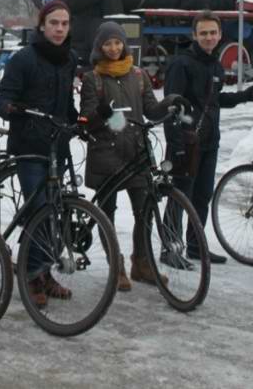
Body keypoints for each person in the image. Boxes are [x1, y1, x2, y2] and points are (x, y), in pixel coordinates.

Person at [79, 21, 184, 291]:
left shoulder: (138, 75)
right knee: (107, 214)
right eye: (107, 44)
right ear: (99, 48)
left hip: (136, 154)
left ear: (124, 44)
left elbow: (150, 109)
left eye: (117, 43)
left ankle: (142, 263)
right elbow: (86, 121)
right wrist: (99, 113)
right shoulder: (93, 79)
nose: (113, 48)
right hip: (106, 155)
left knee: (145, 212)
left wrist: (170, 101)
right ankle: (117, 266)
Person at [0, 0, 78, 308]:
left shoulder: (70, 60)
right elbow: (1, 100)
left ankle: (44, 272)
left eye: (64, 24)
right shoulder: (23, 59)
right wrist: (13, 109)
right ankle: (31, 275)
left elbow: (67, 105)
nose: (59, 29)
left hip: (58, 147)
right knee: (39, 211)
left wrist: (78, 122)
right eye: (53, 23)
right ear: (42, 26)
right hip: (29, 146)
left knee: (56, 213)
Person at [164, 11, 253, 264]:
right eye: (204, 33)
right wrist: (176, 145)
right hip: (186, 142)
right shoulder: (181, 64)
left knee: (202, 196)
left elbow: (214, 100)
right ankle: (169, 249)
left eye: (213, 33)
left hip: (208, 142)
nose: (209, 37)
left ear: (220, 35)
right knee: (179, 197)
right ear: (194, 35)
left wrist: (243, 96)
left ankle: (196, 246)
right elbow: (170, 107)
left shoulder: (214, 63)